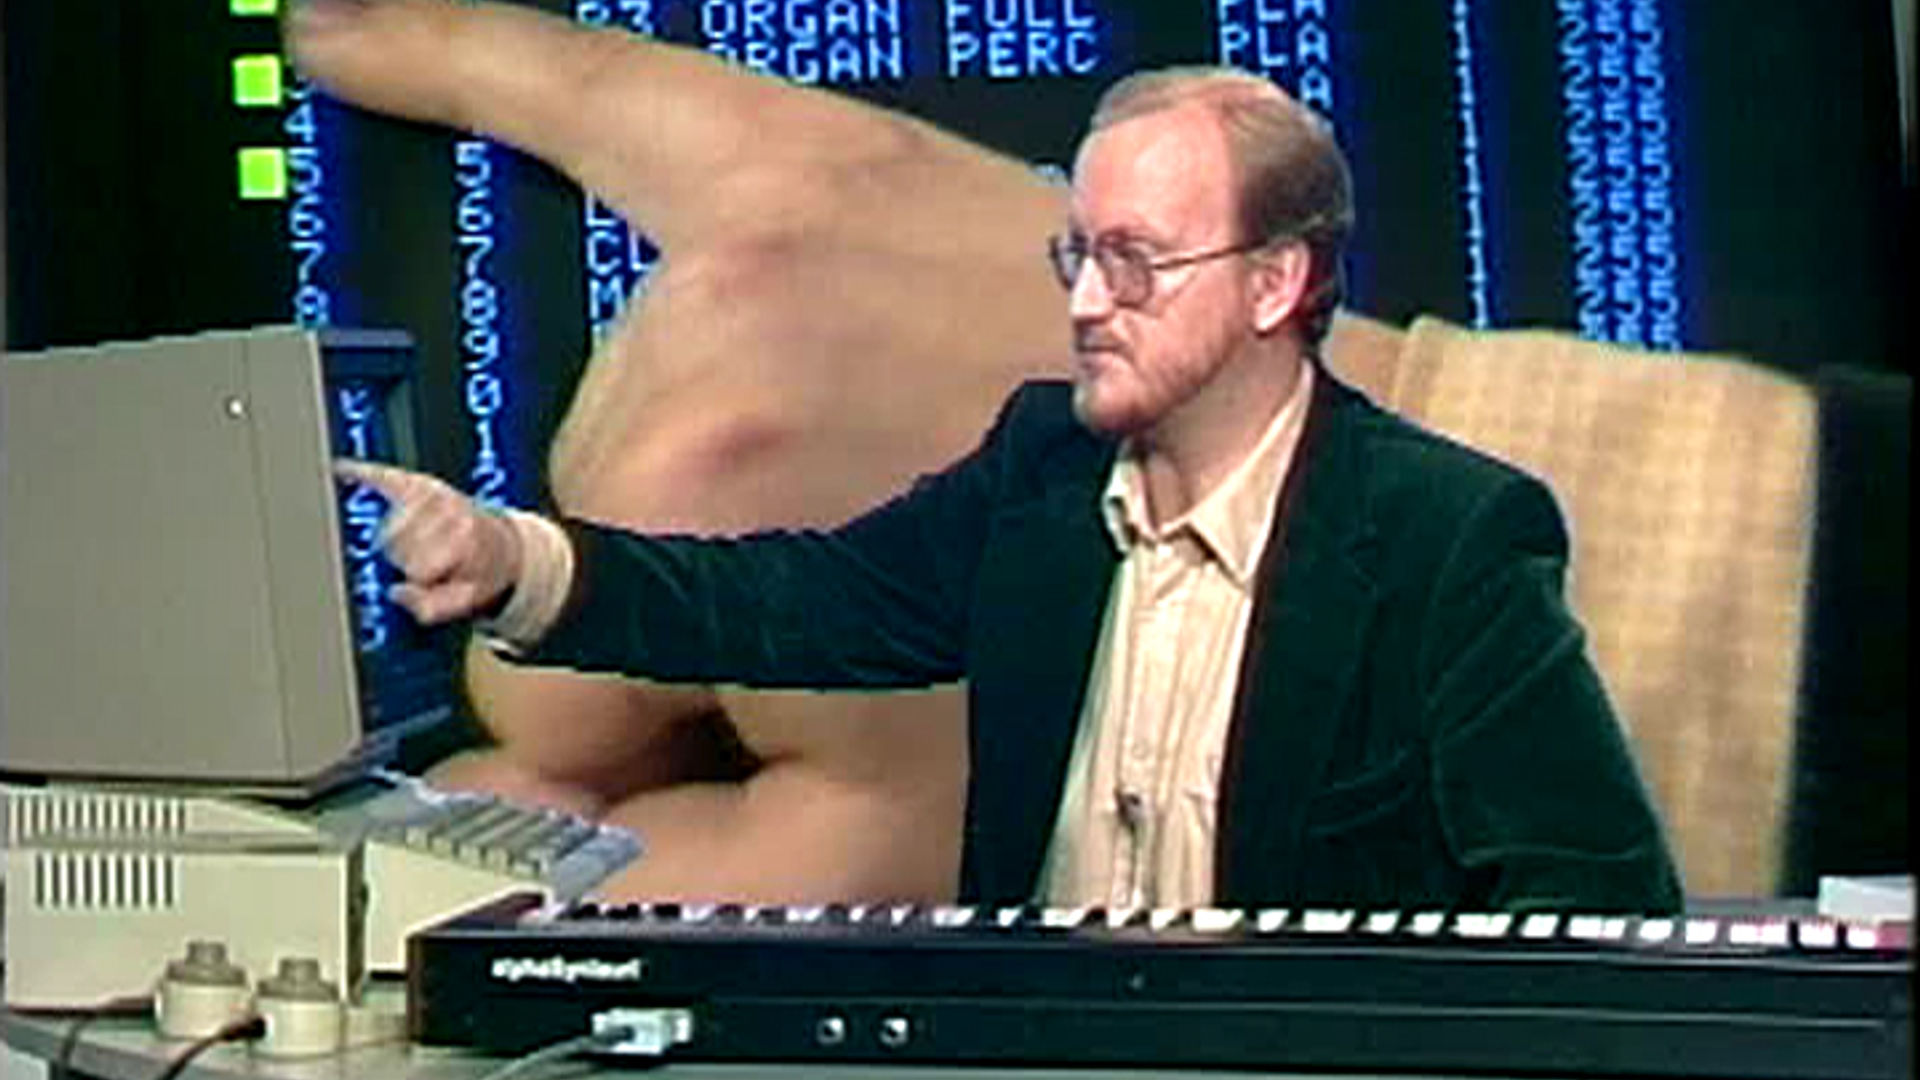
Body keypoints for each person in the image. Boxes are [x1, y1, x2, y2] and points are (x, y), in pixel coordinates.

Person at [336, 58, 1682, 911]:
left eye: (1135, 262)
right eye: (1075, 257)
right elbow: (792, 602)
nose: (1087, 303)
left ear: (1276, 283)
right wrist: (518, 563)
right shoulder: (1042, 474)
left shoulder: (1446, 536)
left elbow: (1600, 926)